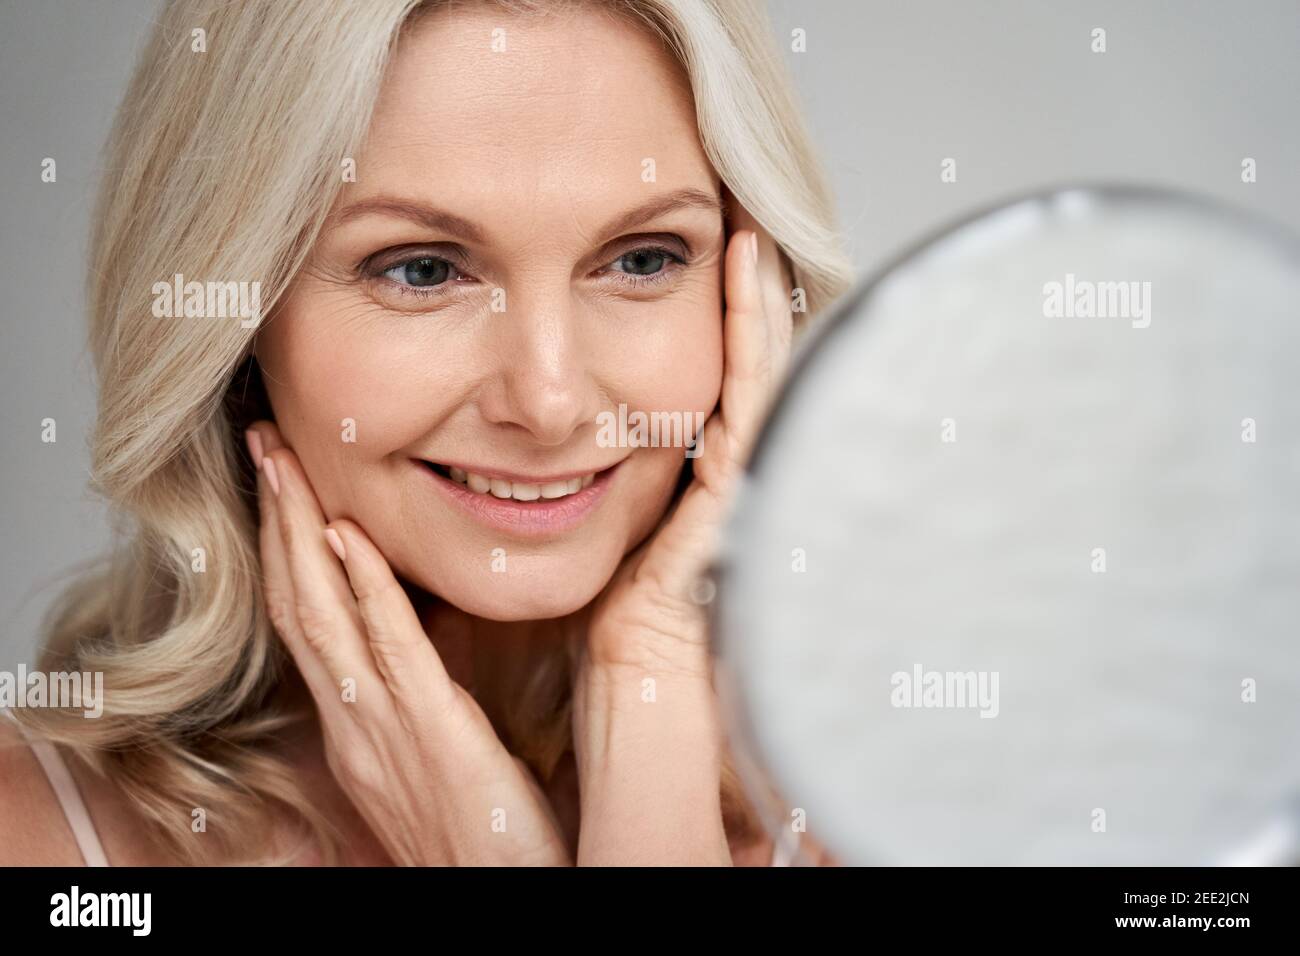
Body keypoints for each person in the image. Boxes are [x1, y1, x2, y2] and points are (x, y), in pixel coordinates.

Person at [0, 0, 851, 866]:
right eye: (423, 270)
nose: (549, 400)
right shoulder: (38, 836)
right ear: (238, 319)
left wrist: (650, 694)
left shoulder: (888, 805)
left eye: (641, 258)